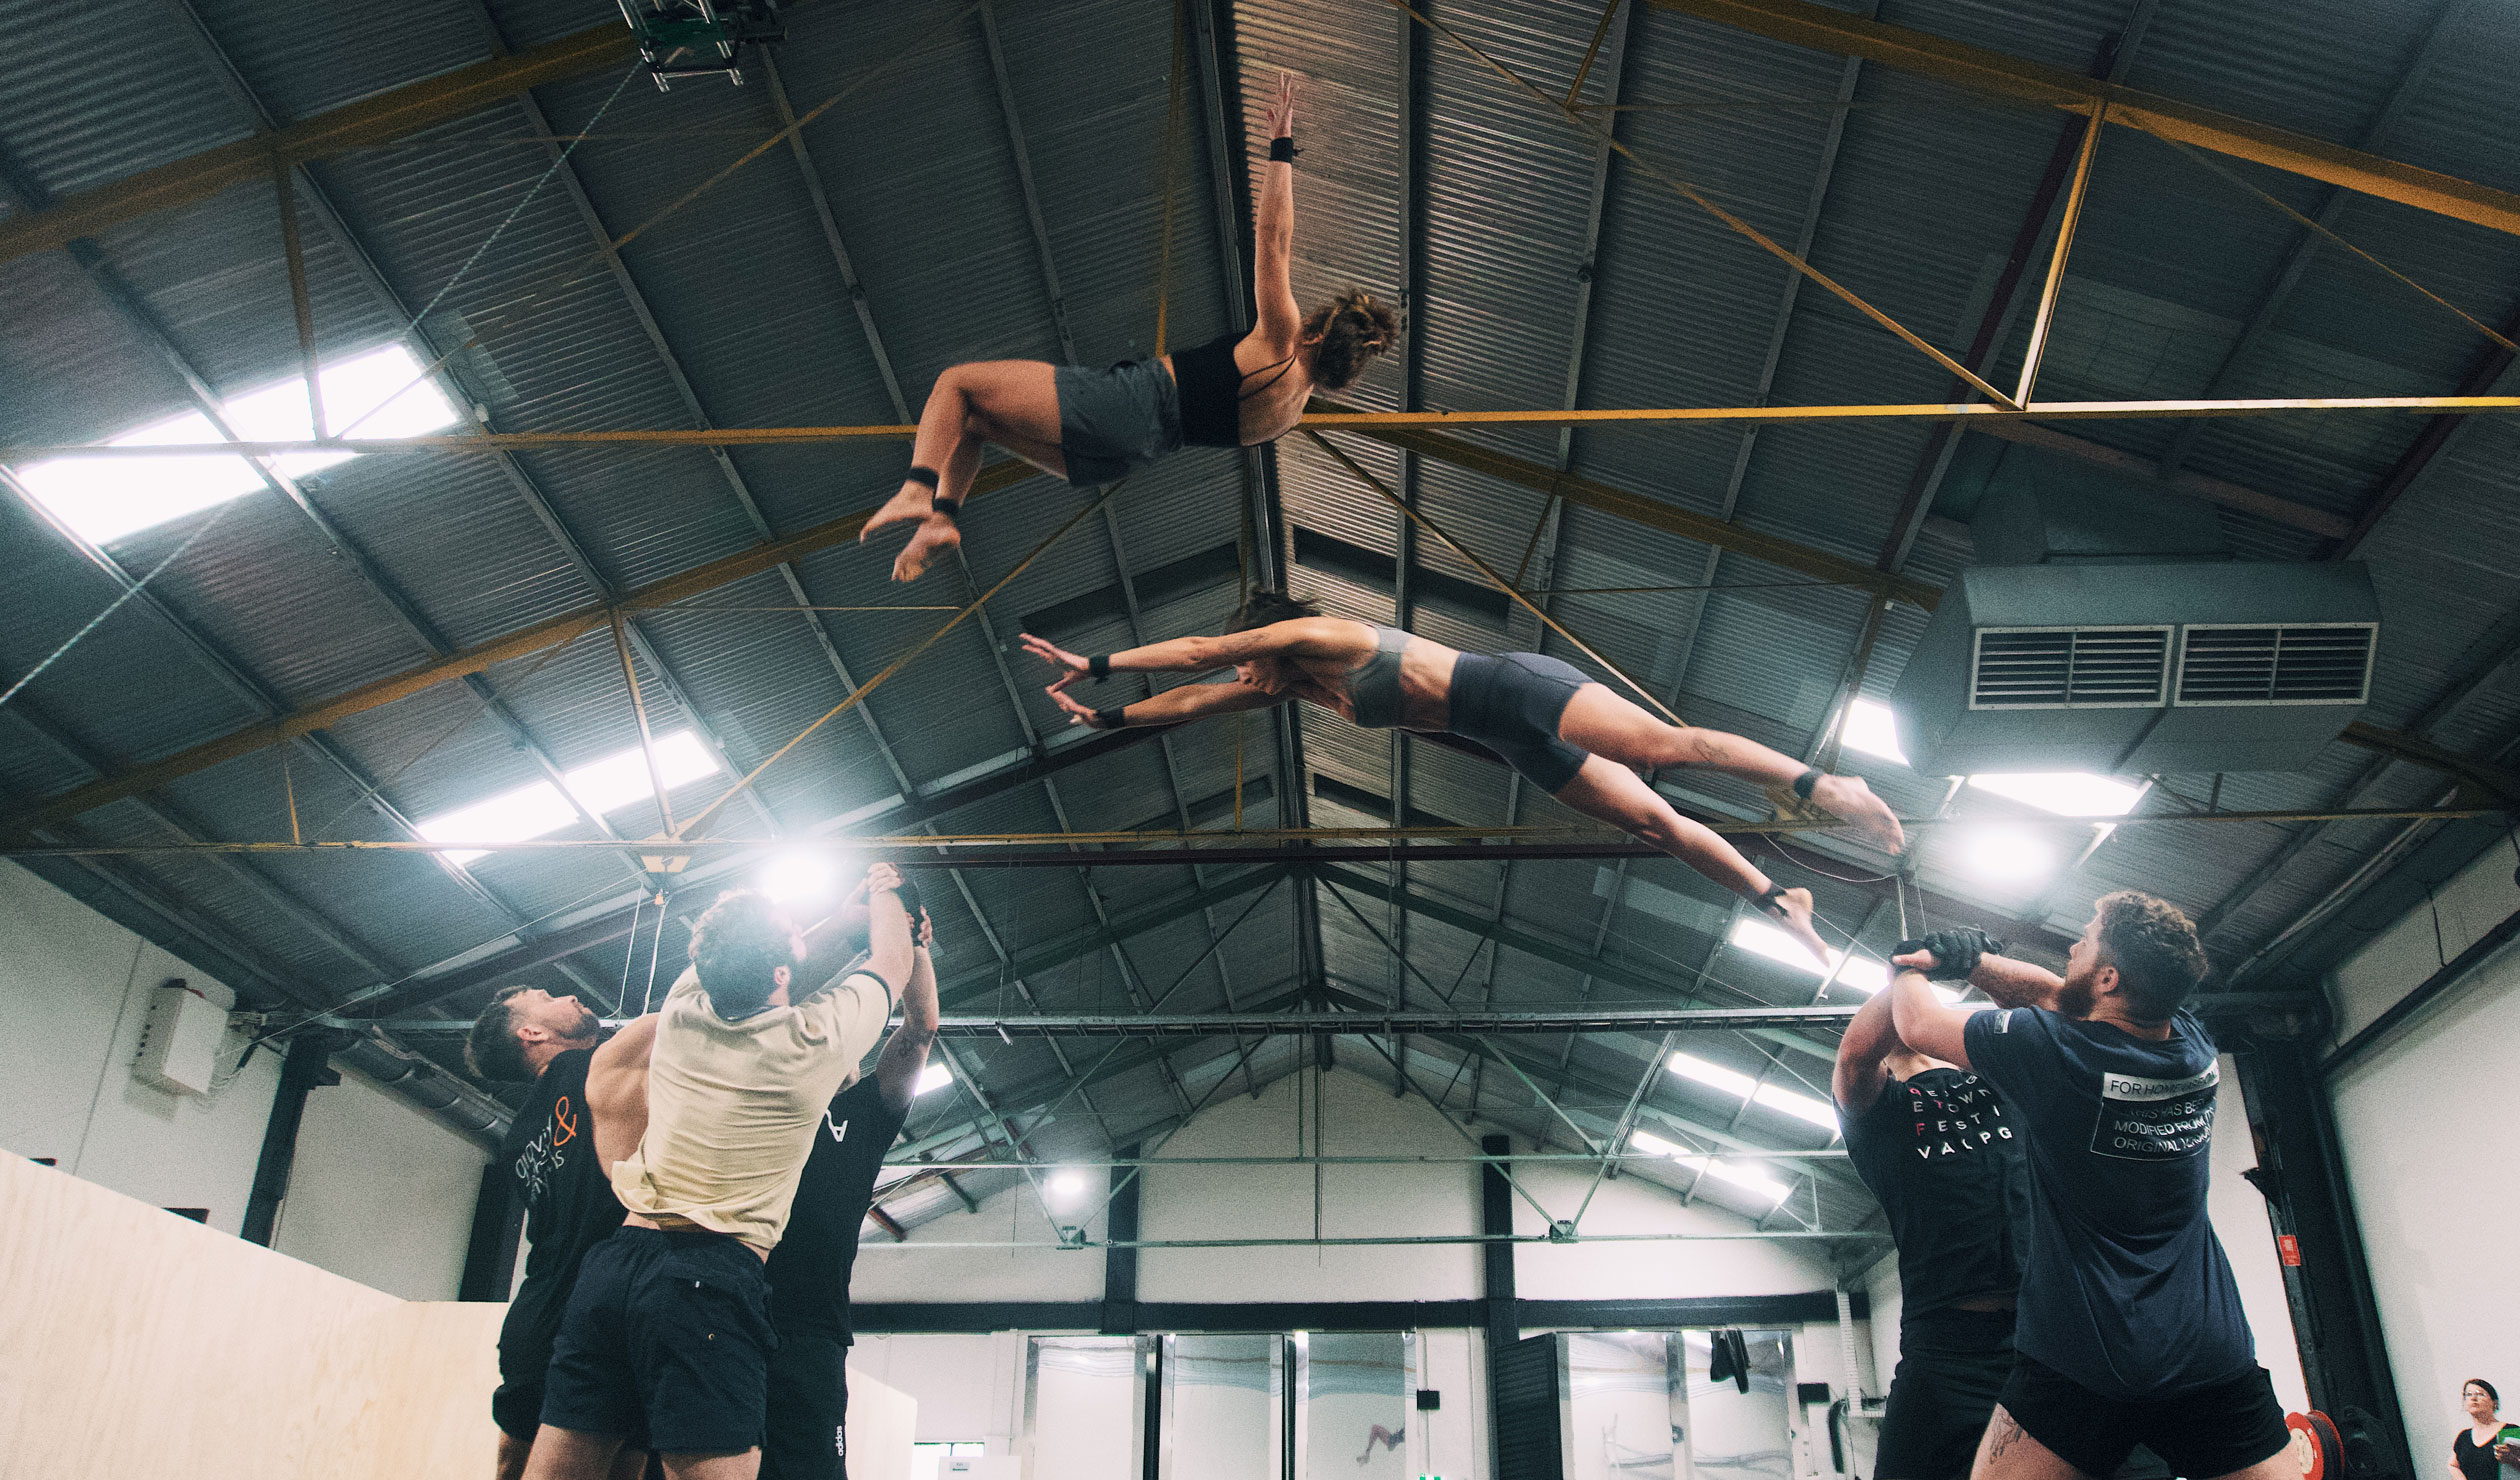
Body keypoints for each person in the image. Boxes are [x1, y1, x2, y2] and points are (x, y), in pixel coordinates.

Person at [1019, 590, 1905, 965]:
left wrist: (1098, 661)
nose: (1242, 681)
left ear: (1270, 639)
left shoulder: (1320, 640)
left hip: (1515, 689)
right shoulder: (1298, 694)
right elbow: (1196, 699)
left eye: (1253, 662)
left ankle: (1825, 786)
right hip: (1511, 740)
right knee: (1652, 824)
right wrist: (1109, 720)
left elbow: (1207, 654)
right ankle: (1774, 898)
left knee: (1661, 748)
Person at [859, 72, 1399, 582]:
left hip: (1129, 404)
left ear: (1318, 333)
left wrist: (1281, 147)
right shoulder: (1287, 415)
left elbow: (1273, 237)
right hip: (1128, 453)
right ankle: (942, 516)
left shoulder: (1282, 342)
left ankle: (916, 489)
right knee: (969, 422)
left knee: (957, 384)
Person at [1886, 891, 2293, 1480]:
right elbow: (2060, 994)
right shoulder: (2191, 1045)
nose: (2073, 945)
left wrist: (1911, 962)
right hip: (2207, 1351)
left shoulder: (2055, 1054)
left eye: (2087, 937)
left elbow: (1916, 1023)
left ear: (2108, 976)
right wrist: (1972, 963)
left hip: (2082, 1361)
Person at [525, 871, 918, 1480]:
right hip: (707, 1280)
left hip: (615, 1266)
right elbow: (892, 960)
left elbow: (750, 963)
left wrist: (834, 922)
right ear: (783, 972)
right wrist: (885, 887)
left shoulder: (684, 1004)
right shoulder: (814, 1041)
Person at [1832, 927, 2030, 1480]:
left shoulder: (2003, 1081)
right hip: (1947, 1353)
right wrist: (1910, 972)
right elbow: (1853, 1053)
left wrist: (1977, 963)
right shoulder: (1879, 1111)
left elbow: (2039, 1020)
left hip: (2048, 1335)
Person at [760, 907, 942, 1480]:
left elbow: (920, 1029)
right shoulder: (765, 1089)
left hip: (812, 1331)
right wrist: (858, 929)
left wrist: (913, 948)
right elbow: (763, 1004)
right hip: (729, 1306)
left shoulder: (863, 1113)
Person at [466, 987, 651, 1480]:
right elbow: (684, 1023)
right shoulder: (581, 1067)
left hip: (535, 1314)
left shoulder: (515, 1141)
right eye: (546, 997)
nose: (568, 994)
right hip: (602, 1307)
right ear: (532, 1032)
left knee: (514, 1466)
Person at [2453, 1379, 2519, 1480]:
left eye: (2480, 1394)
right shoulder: (2463, 1437)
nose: (2473, 1398)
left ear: (2494, 1403)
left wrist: (2512, 1459)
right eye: (2469, 1394)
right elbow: (2453, 1465)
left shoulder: (2510, 1430)